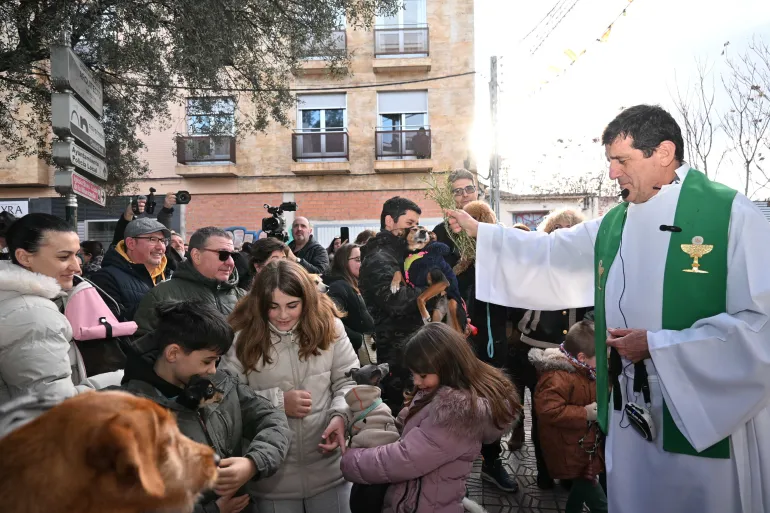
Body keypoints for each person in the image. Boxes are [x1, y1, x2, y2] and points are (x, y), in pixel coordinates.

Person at [446, 104, 770, 513]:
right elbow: (552, 252)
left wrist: (659, 345)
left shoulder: (731, 217)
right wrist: (484, 233)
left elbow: (761, 326)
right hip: (628, 407)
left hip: (700, 410)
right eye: (610, 162)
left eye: (622, 161)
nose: (613, 174)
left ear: (664, 153)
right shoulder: (618, 221)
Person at [120, 299, 292, 513]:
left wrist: (253, 463)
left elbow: (272, 419)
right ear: (173, 353)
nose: (212, 370)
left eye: (217, 361)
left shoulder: (222, 383)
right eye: (207, 361)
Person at [222, 260, 358, 513]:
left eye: (292, 305)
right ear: (260, 305)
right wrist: (277, 402)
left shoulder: (331, 327)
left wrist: (340, 415)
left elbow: (347, 380)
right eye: (273, 307)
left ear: (307, 301)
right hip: (272, 479)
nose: (283, 315)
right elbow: (225, 398)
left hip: (329, 472)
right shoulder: (241, 337)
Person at [340, 323, 521, 513]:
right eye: (413, 373)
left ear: (447, 367)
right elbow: (411, 425)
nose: (416, 381)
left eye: (422, 375)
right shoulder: (439, 390)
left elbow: (404, 459)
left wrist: (350, 460)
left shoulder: (457, 415)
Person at [508, 208, 592, 489]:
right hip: (533, 351)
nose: (563, 232)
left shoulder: (586, 267)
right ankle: (545, 471)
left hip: (573, 354)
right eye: (557, 227)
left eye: (570, 228)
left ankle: (570, 472)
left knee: (572, 416)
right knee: (542, 417)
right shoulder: (535, 265)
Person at [359, 196, 446, 412]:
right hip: (395, 354)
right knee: (401, 412)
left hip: (408, 348)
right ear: (389, 221)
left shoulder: (401, 252)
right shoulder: (381, 256)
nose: (414, 230)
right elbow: (396, 301)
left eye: (416, 225)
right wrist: (435, 293)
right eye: (409, 224)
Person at [0, 214, 92, 409]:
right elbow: (54, 408)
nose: (77, 267)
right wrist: (119, 382)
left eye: (77, 255)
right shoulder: (34, 315)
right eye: (63, 257)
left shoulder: (20, 302)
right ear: (24, 257)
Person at [530, 321, 607, 513]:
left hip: (583, 446)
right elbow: (548, 411)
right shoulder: (557, 376)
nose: (605, 361)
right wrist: (585, 413)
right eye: (601, 357)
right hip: (570, 448)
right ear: (582, 356)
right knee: (601, 505)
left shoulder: (586, 369)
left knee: (581, 490)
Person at [133, 226, 245, 338]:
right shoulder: (161, 296)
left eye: (233, 255)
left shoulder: (246, 298)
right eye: (223, 255)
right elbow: (142, 347)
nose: (230, 262)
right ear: (196, 256)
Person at [90, 218, 170, 322]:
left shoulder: (169, 275)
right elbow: (112, 325)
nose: (161, 247)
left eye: (163, 241)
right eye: (152, 239)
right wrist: (155, 298)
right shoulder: (104, 278)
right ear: (131, 243)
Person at [323, 243, 375, 362]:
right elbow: (328, 318)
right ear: (343, 262)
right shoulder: (339, 287)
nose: (363, 263)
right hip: (352, 357)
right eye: (358, 259)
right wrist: (358, 340)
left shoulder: (358, 284)